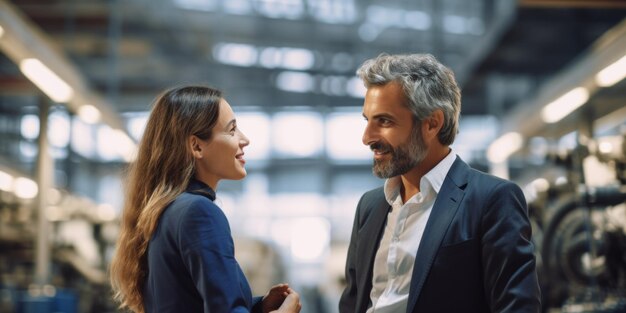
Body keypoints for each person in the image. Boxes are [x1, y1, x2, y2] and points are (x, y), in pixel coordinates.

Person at [339, 54, 541, 313]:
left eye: (385, 121)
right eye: (367, 120)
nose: (367, 137)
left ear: (432, 123)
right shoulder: (370, 207)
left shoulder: (492, 200)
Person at [109, 85, 301, 313]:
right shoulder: (199, 212)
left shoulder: (166, 211)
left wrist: (257, 307)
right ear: (196, 146)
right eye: (232, 130)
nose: (245, 140)